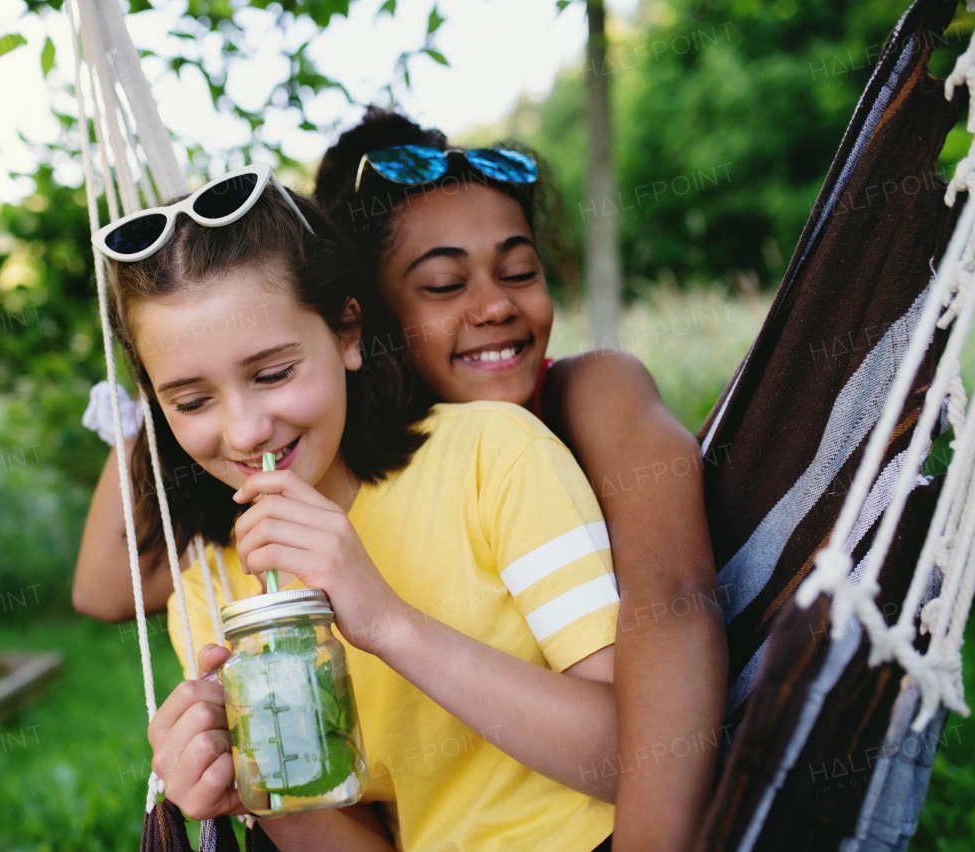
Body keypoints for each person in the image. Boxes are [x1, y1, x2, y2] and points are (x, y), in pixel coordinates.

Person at [97, 167, 620, 851]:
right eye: (192, 401)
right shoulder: (212, 588)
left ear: (348, 332)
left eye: (274, 373)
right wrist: (261, 793)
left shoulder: (494, 456)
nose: (246, 429)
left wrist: (387, 623)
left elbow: (633, 753)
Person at [312, 109, 725, 852]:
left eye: (519, 271)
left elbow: (673, 596)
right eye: (443, 284)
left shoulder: (591, 392)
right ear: (364, 323)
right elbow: (112, 589)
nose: (497, 304)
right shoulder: (352, 489)